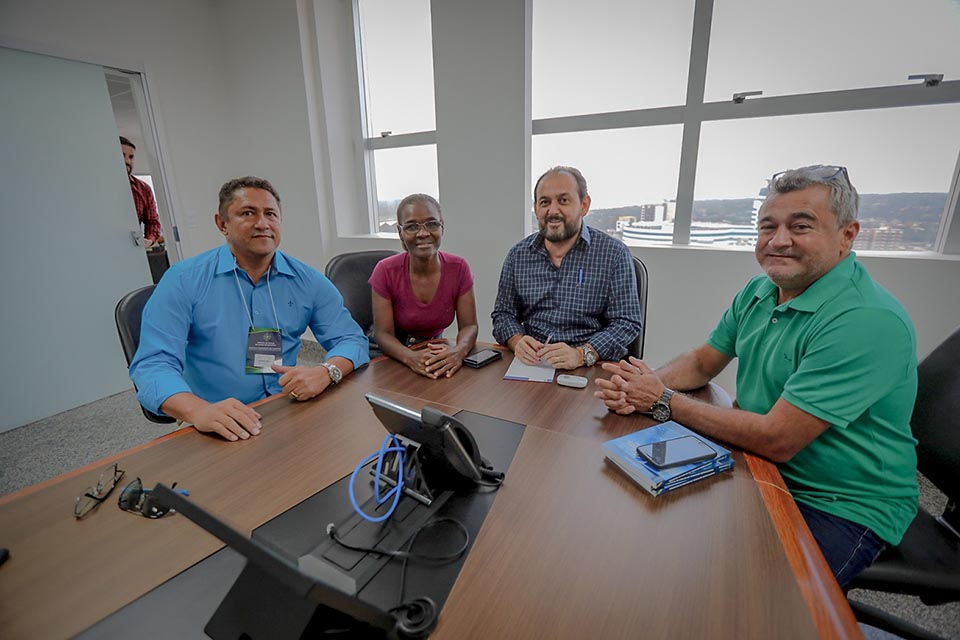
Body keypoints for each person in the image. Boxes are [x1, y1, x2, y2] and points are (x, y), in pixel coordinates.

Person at [595, 165, 918, 587]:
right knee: (646, 540)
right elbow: (701, 362)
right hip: (757, 463)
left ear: (847, 235)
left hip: (839, 503)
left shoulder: (864, 319)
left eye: (801, 226)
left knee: (740, 602)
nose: (779, 240)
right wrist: (642, 384)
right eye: (768, 226)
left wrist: (661, 400)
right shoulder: (759, 290)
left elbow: (777, 438)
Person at [130, 176, 369, 442]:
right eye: (247, 213)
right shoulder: (184, 280)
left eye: (271, 214)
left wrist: (327, 371)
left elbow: (351, 338)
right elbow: (152, 365)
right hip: (214, 418)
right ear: (222, 224)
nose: (262, 223)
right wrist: (199, 411)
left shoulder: (308, 281)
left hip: (287, 407)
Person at [492, 165, 642, 370]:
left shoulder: (613, 254)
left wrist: (582, 354)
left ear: (584, 205)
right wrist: (517, 340)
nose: (553, 211)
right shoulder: (518, 255)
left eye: (563, 200)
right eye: (545, 202)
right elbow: (503, 314)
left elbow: (626, 322)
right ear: (536, 208)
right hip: (533, 365)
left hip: (589, 366)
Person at [369, 194, 478, 378]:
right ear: (400, 232)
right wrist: (411, 358)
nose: (423, 233)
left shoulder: (459, 268)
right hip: (389, 352)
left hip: (430, 348)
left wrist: (459, 351)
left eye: (432, 224)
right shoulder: (385, 270)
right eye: (412, 226)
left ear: (442, 226)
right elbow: (383, 334)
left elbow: (469, 326)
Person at [120, 136, 162, 248]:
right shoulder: (97, 187)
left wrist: (149, 240)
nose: (127, 161)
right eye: (122, 155)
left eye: (131, 157)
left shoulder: (143, 189)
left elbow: (153, 222)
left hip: (132, 251)